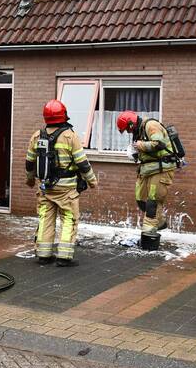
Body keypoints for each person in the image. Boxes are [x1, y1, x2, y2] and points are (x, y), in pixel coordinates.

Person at [25, 99, 98, 267]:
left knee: (45, 218)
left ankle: (44, 254)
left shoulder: (37, 136)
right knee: (68, 218)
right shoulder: (69, 136)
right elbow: (82, 163)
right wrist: (92, 181)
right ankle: (64, 257)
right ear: (63, 115)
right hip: (66, 189)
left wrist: (29, 179)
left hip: (45, 187)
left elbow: (29, 162)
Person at [116, 111, 177, 237]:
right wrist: (135, 153)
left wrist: (140, 145)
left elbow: (159, 144)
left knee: (153, 201)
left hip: (161, 169)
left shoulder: (151, 125)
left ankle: (149, 235)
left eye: (127, 129)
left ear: (131, 124)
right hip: (147, 169)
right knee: (141, 198)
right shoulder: (139, 131)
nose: (128, 132)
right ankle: (159, 222)